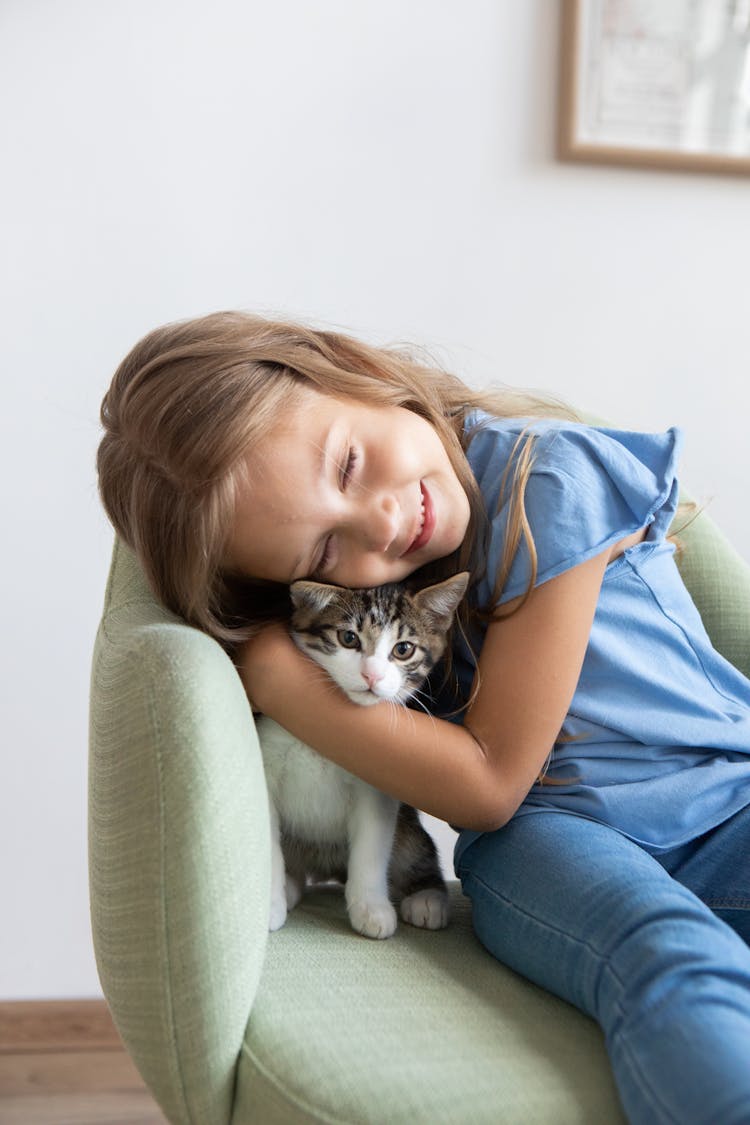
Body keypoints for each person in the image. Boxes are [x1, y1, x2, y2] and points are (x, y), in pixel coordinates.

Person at [97, 310, 750, 1124]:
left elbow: (486, 776)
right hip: (548, 846)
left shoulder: (547, 479)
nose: (377, 521)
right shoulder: (380, 604)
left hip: (727, 800)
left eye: (348, 463)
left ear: (350, 372)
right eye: (324, 555)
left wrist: (274, 673)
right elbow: (497, 804)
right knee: (674, 962)